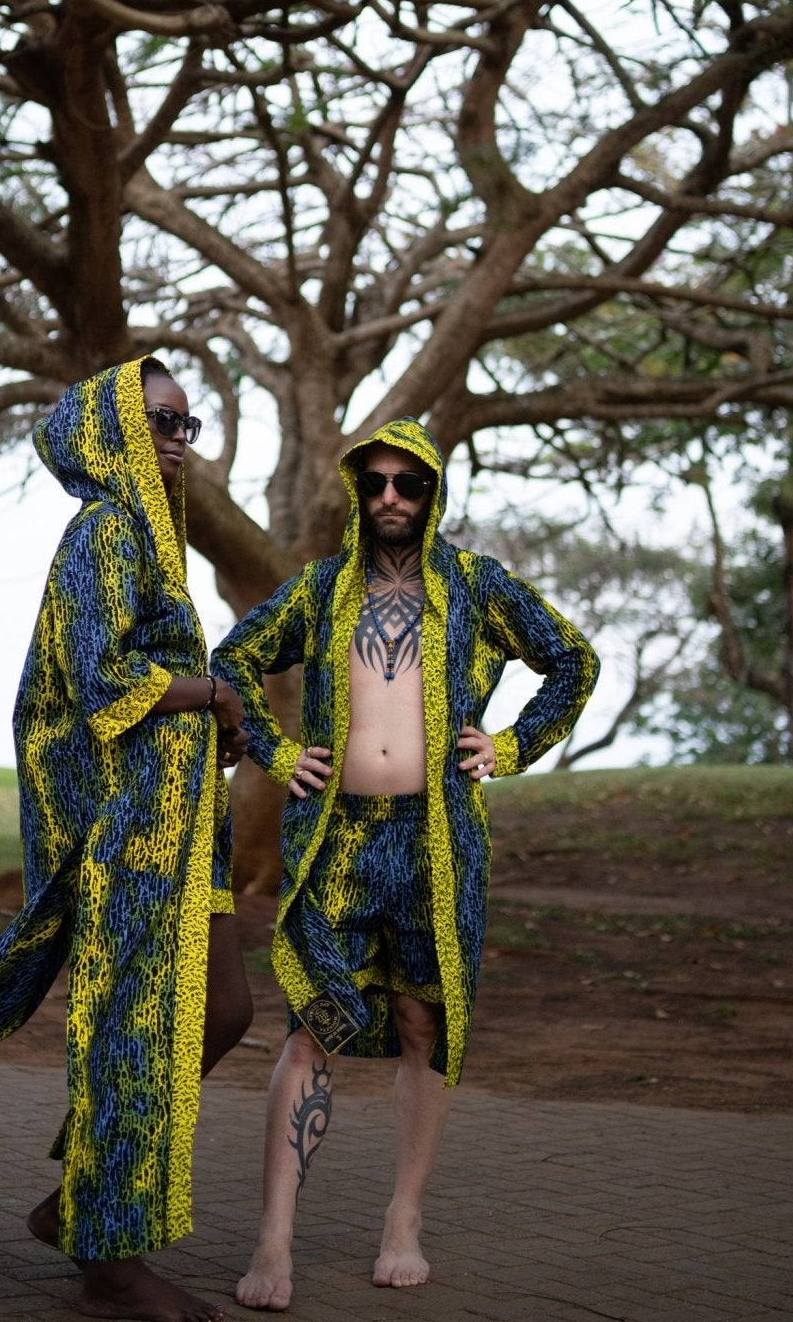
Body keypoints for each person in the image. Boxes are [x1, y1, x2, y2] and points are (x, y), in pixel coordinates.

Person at [0, 356, 254, 1322]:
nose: (177, 440)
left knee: (223, 1011)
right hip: (129, 843)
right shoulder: (104, 535)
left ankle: (79, 1202)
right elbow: (103, 684)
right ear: (107, 432)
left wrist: (216, 721)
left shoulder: (156, 542)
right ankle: (108, 1266)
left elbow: (149, 687)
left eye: (187, 425)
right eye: (159, 421)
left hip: (189, 831)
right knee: (134, 1043)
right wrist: (216, 692)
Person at [210, 417, 599, 1311]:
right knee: (313, 1025)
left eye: (408, 483)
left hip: (438, 841)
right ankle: (273, 1239)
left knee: (426, 1025)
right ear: (357, 492)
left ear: (432, 492)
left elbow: (572, 661)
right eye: (377, 483)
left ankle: (403, 1220)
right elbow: (232, 659)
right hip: (333, 842)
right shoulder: (318, 591)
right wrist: (270, 748)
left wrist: (511, 744)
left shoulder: (474, 586)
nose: (391, 497)